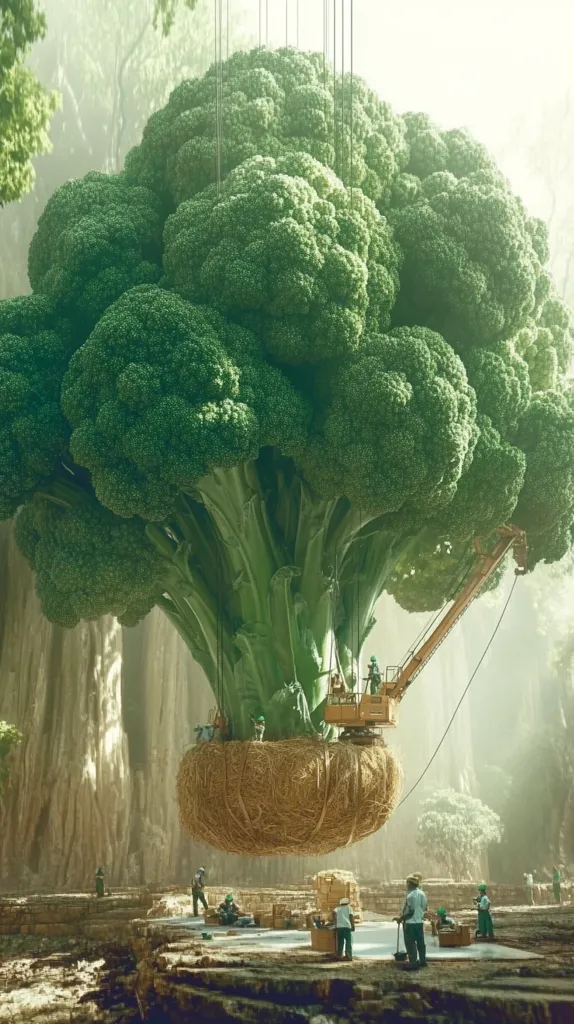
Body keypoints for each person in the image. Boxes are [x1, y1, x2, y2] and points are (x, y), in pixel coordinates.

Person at [395, 875, 428, 969]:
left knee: (410, 943)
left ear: (410, 884)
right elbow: (424, 907)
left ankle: (413, 963)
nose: (407, 885)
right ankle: (422, 961)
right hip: (419, 922)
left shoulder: (410, 895)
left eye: (407, 883)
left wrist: (401, 918)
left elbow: (411, 912)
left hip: (410, 923)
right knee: (420, 942)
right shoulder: (422, 894)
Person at [332, 896, 355, 961]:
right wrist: (353, 926)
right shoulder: (349, 908)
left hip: (339, 928)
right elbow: (351, 916)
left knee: (340, 942)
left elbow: (333, 912)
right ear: (347, 903)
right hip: (347, 927)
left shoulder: (337, 908)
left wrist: (335, 920)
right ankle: (348, 955)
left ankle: (339, 955)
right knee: (348, 942)